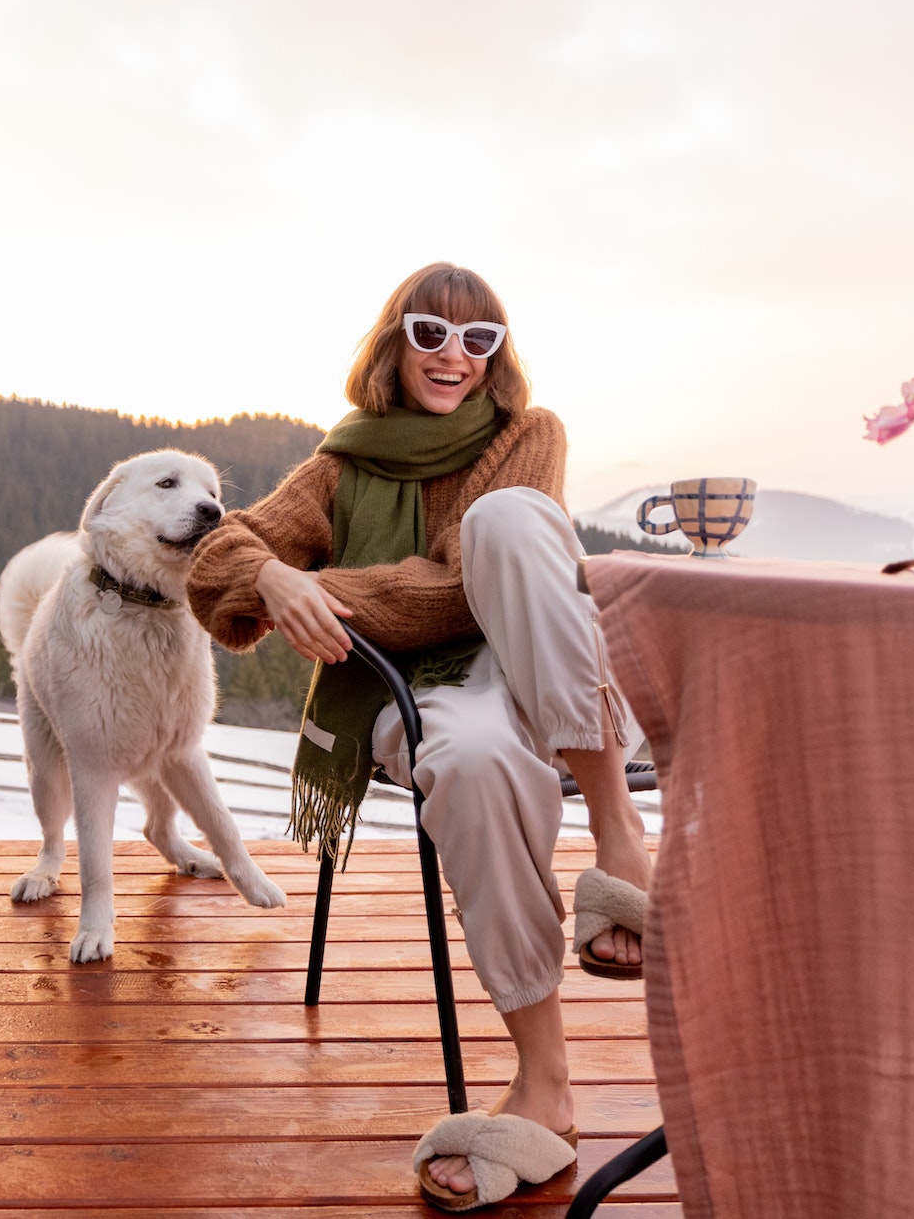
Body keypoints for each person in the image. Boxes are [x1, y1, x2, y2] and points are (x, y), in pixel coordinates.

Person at [186, 261, 653, 1211]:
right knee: (473, 764)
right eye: (430, 332)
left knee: (510, 522)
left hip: (545, 669)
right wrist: (274, 580)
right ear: (394, 341)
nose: (453, 356)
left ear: (496, 355)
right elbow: (215, 562)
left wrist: (328, 593)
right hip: (421, 694)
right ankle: (548, 1084)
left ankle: (620, 839)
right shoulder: (338, 467)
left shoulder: (528, 437)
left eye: (478, 339)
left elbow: (464, 584)